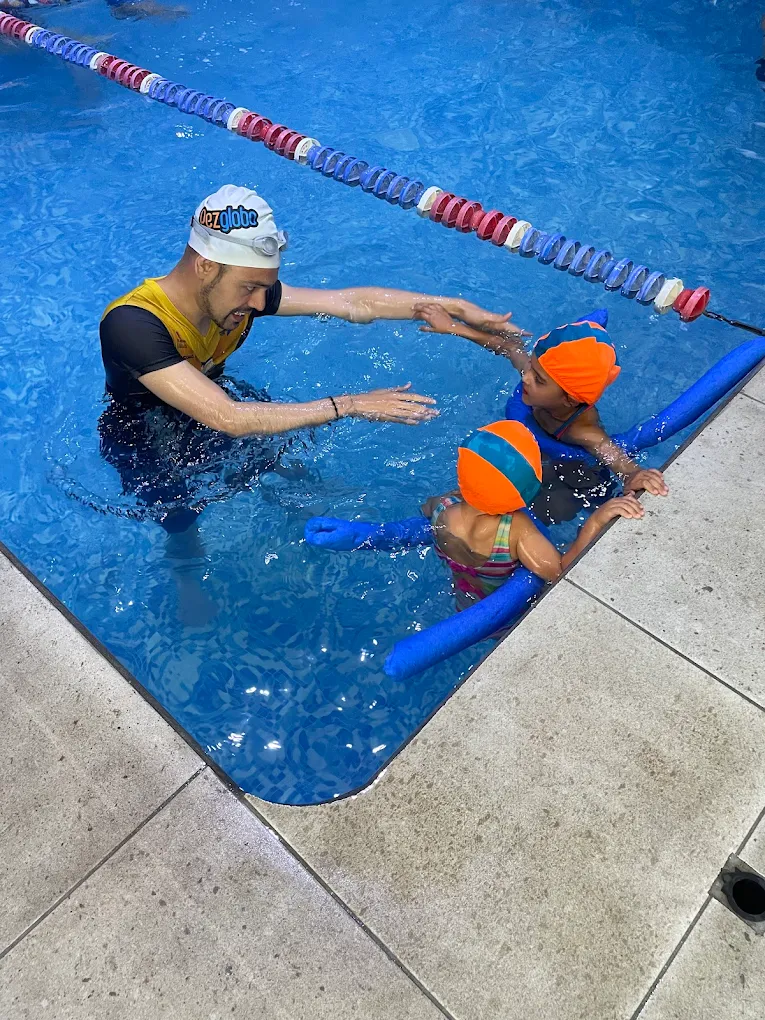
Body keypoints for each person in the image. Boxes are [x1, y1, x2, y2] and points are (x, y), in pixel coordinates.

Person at [414, 305, 669, 501]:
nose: (525, 376)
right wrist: (452, 327)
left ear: (568, 398)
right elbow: (508, 347)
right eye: (532, 368)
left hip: (564, 473)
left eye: (538, 378)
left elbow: (613, 456)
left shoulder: (581, 429)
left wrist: (634, 474)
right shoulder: (542, 380)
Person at [419, 420, 645, 610]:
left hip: (464, 601)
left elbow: (424, 510)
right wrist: (596, 520)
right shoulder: (515, 529)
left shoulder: (441, 507)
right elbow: (559, 570)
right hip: (504, 615)